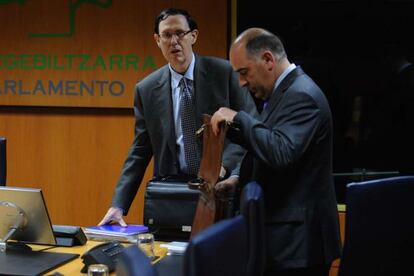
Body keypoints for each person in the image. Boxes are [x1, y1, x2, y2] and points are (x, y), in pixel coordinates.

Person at [99, 8, 256, 226]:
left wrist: (223, 165)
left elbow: (249, 129)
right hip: (172, 194)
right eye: (166, 35)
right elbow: (140, 150)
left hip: (219, 187)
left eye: (180, 33)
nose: (174, 41)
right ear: (157, 40)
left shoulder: (224, 73)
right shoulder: (146, 89)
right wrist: (118, 205)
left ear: (193, 36)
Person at [211, 28, 341, 276]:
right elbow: (269, 146)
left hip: (299, 248)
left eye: (244, 72)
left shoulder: (302, 95)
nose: (241, 82)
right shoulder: (283, 93)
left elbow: (280, 152)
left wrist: (240, 118)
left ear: (268, 60)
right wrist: (239, 180)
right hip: (285, 244)